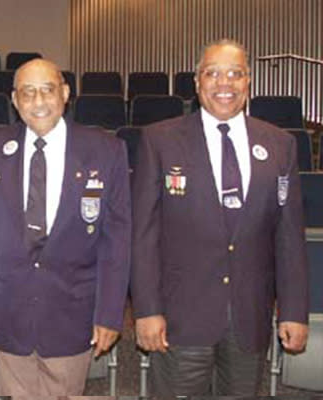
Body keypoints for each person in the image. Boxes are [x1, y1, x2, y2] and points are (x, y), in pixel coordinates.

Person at [131, 39, 309, 396]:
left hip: (250, 317)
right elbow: (143, 235)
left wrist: (294, 310)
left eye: (235, 73)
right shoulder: (159, 140)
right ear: (197, 82)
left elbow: (288, 236)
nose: (224, 83)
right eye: (212, 73)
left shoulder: (279, 144)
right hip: (180, 318)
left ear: (248, 82)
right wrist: (146, 309)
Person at [0, 58, 131, 396]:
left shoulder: (106, 150)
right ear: (15, 100)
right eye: (28, 92)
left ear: (65, 93)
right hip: (7, 312)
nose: (38, 102)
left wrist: (111, 314)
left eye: (47, 90)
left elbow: (118, 241)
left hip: (74, 312)